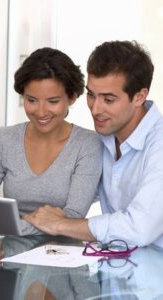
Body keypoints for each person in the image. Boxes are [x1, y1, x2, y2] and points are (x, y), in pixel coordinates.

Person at [24, 40, 163, 247]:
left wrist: (61, 225)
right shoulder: (101, 139)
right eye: (91, 95)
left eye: (108, 99)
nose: (95, 109)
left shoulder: (158, 145)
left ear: (139, 97)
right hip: (120, 266)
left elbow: (138, 228)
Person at [0, 47, 102, 235]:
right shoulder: (4, 139)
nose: (41, 112)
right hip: (11, 253)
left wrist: (6, 226)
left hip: (63, 252)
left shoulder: (88, 144)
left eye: (53, 101)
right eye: (31, 100)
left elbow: (73, 217)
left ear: (72, 98)